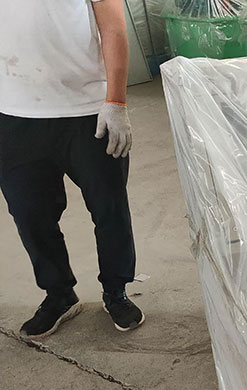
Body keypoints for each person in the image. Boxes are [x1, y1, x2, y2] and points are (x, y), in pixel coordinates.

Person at [0, 0, 144, 338]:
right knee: (30, 214)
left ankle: (116, 291)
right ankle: (59, 294)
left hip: (88, 112)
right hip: (15, 115)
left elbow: (114, 28)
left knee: (109, 209)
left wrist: (116, 102)